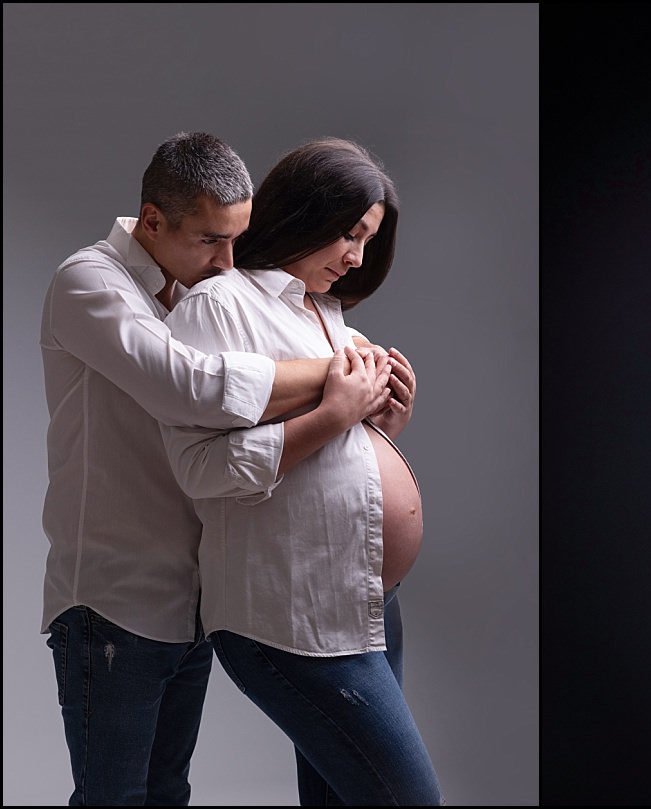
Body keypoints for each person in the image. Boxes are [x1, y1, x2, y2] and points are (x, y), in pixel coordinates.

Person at [39, 131, 370, 806]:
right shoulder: (89, 282)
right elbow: (188, 386)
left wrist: (366, 404)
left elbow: (245, 414)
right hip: (113, 598)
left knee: (167, 793)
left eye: (237, 239)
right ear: (152, 220)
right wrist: (343, 376)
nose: (228, 262)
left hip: (192, 598)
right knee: (114, 799)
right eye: (211, 240)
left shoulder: (201, 290)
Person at [158, 136, 443, 806]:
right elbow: (199, 468)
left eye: (369, 242)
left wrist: (382, 431)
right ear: (303, 210)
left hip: (365, 605)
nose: (356, 258)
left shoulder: (329, 315)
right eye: (349, 233)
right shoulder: (220, 307)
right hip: (290, 617)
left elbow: (326, 455)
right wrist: (338, 416)